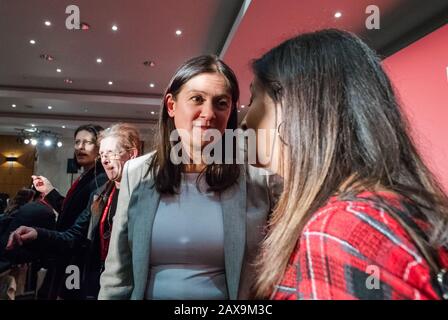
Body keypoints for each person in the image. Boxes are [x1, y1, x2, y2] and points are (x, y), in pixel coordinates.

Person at [245, 29, 448, 300]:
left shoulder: (341, 229)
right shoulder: (379, 211)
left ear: (292, 107)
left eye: (253, 98)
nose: (246, 120)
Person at [98, 55, 273, 300]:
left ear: (231, 110)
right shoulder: (136, 173)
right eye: (197, 99)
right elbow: (118, 273)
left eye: (221, 103)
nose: (208, 113)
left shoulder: (257, 182)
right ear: (171, 105)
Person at [6, 123, 141, 299]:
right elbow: (74, 235)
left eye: (111, 153)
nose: (105, 159)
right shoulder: (100, 194)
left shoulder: (144, 194)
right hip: (97, 283)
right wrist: (36, 234)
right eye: (102, 154)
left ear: (132, 154)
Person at [31, 124, 108, 299]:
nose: (80, 147)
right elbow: (71, 213)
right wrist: (49, 192)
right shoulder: (87, 177)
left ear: (99, 147)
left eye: (87, 142)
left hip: (78, 259)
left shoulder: (100, 180)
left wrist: (39, 234)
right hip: (68, 254)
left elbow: (79, 228)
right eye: (77, 142)